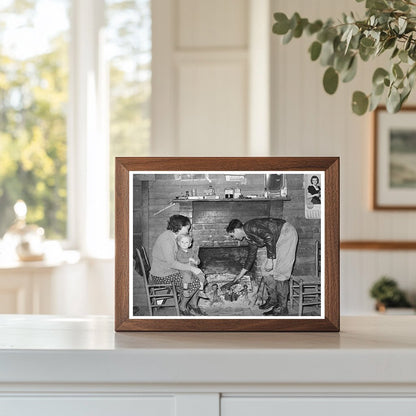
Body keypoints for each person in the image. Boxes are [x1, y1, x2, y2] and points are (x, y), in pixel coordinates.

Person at [225, 218, 298, 316]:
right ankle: (273, 300)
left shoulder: (250, 227)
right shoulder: (250, 238)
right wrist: (240, 275)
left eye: (232, 236)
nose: (233, 238)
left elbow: (269, 236)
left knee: (281, 273)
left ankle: (282, 308)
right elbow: (251, 257)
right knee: (265, 270)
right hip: (278, 239)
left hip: (286, 233)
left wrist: (270, 259)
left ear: (236, 230)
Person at [150, 214, 203, 316]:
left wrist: (192, 262)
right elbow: (171, 263)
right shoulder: (166, 239)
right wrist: (191, 267)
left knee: (198, 276)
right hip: (162, 275)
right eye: (187, 227)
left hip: (170, 271)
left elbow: (178, 258)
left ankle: (194, 305)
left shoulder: (174, 237)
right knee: (195, 282)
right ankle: (182, 306)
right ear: (180, 227)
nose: (189, 229)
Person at [176, 233, 209, 303]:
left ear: (190, 244)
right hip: (184, 269)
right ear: (179, 243)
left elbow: (197, 259)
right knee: (187, 276)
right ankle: (185, 290)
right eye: (182, 242)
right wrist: (189, 260)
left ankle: (201, 290)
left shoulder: (191, 252)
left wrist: (197, 261)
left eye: (186, 242)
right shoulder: (179, 252)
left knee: (201, 275)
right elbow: (179, 259)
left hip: (193, 268)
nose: (184, 244)